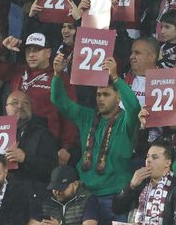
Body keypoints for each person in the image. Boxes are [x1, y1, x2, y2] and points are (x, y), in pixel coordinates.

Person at [50, 54, 141, 225]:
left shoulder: (126, 121)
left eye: (106, 94)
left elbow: (134, 107)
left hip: (116, 196)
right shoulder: (86, 116)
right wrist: (57, 75)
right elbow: (59, 100)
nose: (100, 99)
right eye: (98, 94)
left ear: (119, 97)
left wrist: (115, 77)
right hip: (86, 196)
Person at [112, 141, 176, 225]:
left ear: (167, 163)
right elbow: (117, 209)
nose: (148, 160)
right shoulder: (141, 183)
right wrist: (131, 186)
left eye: (154, 157)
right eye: (147, 156)